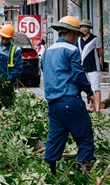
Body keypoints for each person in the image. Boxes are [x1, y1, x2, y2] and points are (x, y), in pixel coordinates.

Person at [41, 16, 95, 175]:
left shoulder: (47, 51)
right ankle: (83, 175)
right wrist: (89, 92)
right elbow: (78, 75)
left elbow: (45, 70)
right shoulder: (72, 50)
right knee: (85, 137)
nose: (76, 39)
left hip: (53, 104)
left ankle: (49, 174)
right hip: (70, 101)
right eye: (76, 35)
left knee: (55, 138)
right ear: (71, 33)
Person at [78, 20, 104, 112]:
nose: (84, 29)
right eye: (82, 27)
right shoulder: (79, 39)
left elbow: (100, 52)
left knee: (96, 88)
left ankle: (97, 109)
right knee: (87, 88)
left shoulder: (95, 39)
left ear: (89, 28)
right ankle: (91, 107)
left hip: (94, 68)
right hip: (83, 67)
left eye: (86, 27)